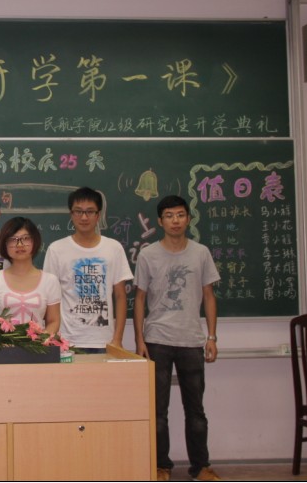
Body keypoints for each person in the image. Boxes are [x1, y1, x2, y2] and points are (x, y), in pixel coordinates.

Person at [133, 195, 221, 482]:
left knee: (196, 411)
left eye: (181, 215)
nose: (175, 220)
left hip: (192, 341)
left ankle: (201, 467)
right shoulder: (148, 255)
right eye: (169, 216)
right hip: (157, 339)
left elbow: (209, 296)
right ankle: (161, 466)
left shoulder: (201, 253)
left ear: (188, 219)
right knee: (158, 411)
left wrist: (211, 337)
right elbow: (139, 299)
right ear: (160, 221)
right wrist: (139, 340)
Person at [43, 187, 132, 351]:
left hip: (105, 341)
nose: (84, 217)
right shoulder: (56, 249)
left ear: (98, 215)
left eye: (90, 212)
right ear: (71, 214)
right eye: (78, 211)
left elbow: (120, 296)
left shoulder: (113, 248)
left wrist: (117, 339)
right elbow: (50, 297)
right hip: (67, 341)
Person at [0, 217, 60, 334]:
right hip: (2, 344)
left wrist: (41, 340)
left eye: (25, 238)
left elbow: (53, 321)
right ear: (4, 245)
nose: (19, 244)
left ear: (35, 241)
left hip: (38, 344)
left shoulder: (50, 280)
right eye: (13, 240)